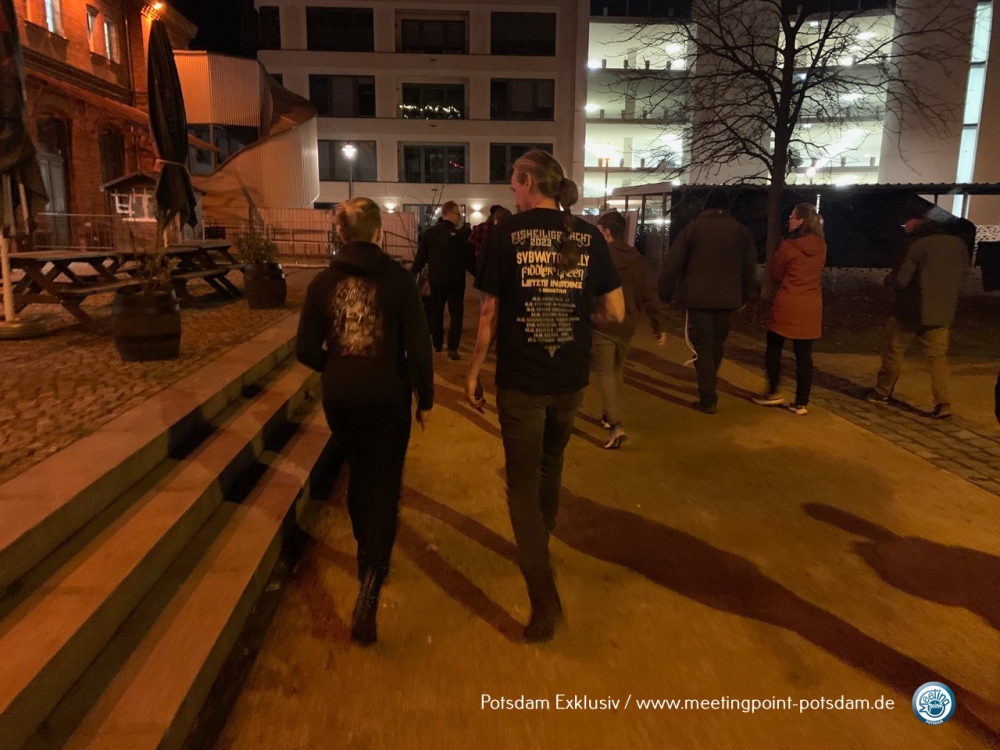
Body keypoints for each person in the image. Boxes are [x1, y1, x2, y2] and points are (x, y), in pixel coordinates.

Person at [466, 150, 624, 642]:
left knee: (521, 482)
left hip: (522, 378)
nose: (512, 192)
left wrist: (473, 371)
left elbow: (489, 312)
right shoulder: (589, 236)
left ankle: (543, 595)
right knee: (551, 464)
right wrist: (580, 317)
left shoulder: (507, 233)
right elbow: (615, 312)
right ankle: (541, 546)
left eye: (514, 183)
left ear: (528, 180)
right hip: (570, 376)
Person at [296, 197, 434, 646]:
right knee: (386, 482)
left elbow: (304, 349)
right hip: (388, 394)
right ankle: (373, 574)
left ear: (340, 234)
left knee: (359, 473)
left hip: (342, 396)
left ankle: (365, 553)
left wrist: (336, 367)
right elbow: (419, 346)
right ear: (378, 232)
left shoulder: (322, 283)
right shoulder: (400, 280)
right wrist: (425, 397)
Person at [658, 189, 757, 414]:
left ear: (707, 207)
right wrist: (746, 295)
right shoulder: (741, 231)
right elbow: (749, 267)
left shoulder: (692, 229)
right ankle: (709, 384)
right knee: (717, 345)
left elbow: (673, 263)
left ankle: (708, 397)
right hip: (728, 298)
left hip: (698, 298)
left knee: (702, 346)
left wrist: (664, 292)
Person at [867, 209, 968, 419]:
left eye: (907, 222)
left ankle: (882, 392)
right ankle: (943, 403)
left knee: (894, 351)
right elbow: (963, 275)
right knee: (937, 359)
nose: (905, 226)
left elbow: (902, 280)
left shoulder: (918, 245)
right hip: (942, 313)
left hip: (910, 311)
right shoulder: (958, 245)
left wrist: (886, 280)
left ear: (919, 222)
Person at [593, 209, 666, 449]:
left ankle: (616, 425)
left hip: (604, 322)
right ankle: (608, 415)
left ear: (606, 232)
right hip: (628, 325)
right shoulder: (639, 260)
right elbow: (649, 294)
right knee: (616, 370)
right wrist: (657, 325)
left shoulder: (600, 257)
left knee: (606, 373)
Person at [753, 203, 827, 416]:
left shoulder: (787, 246)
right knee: (803, 355)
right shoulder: (821, 246)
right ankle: (801, 402)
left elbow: (775, 274)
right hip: (811, 305)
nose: (789, 220)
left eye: (792, 217)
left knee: (774, 347)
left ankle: (773, 391)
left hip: (788, 302)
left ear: (801, 221)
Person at [411, 200, 472, 360]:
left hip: (436, 279)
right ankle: (452, 347)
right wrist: (480, 276)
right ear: (449, 213)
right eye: (458, 214)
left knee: (436, 311)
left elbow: (421, 256)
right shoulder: (459, 236)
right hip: (456, 281)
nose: (460, 217)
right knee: (456, 313)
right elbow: (468, 259)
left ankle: (437, 343)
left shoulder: (430, 233)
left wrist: (412, 273)